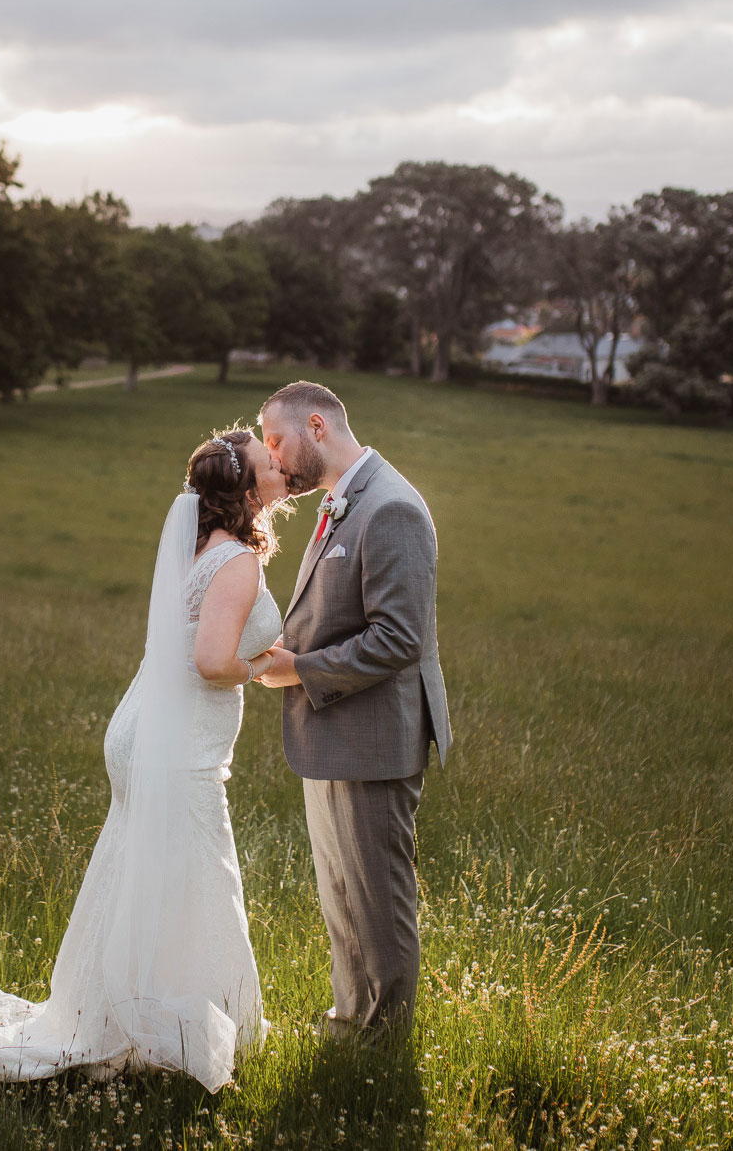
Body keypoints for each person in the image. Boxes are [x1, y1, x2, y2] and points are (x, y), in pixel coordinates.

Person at [0, 427, 291, 1092]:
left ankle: (136, 1015)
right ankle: (172, 1036)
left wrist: (281, 664)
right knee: (198, 877)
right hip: (177, 746)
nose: (283, 465)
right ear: (246, 487)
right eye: (272, 462)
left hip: (145, 731)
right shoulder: (238, 559)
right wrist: (266, 661)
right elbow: (214, 661)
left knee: (147, 875)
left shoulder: (199, 546)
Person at [254, 380, 450, 1040]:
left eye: (276, 440)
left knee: (377, 902)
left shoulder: (390, 505)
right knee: (342, 900)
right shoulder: (346, 502)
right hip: (334, 732)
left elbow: (399, 637)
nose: (272, 458)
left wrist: (298, 668)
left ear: (317, 424)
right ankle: (349, 1023)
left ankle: (384, 1045)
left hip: (373, 741)